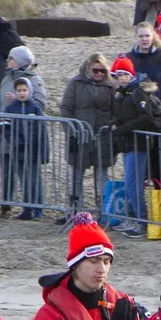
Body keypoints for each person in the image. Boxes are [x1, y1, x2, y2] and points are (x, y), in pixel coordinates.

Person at [110, 55, 161, 237]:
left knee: (133, 183)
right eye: (119, 75)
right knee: (130, 183)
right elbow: (120, 115)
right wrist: (114, 124)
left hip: (139, 143)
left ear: (131, 74)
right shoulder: (122, 93)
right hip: (128, 143)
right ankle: (134, 217)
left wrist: (122, 129)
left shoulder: (137, 93)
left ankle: (141, 221)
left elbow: (145, 117)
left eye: (124, 74)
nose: (122, 78)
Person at [60, 54, 116, 220]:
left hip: (102, 137)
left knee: (102, 177)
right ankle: (76, 212)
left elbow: (116, 111)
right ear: (88, 68)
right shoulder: (75, 83)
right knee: (76, 176)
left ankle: (103, 212)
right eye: (95, 70)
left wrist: (111, 128)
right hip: (80, 137)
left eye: (102, 71)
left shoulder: (111, 86)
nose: (99, 74)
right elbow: (65, 109)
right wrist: (71, 132)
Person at [0, 77, 48, 221]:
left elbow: (42, 130)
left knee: (34, 180)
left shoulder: (35, 108)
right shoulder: (10, 108)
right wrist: (16, 142)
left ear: (29, 91)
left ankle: (38, 209)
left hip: (33, 150)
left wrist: (41, 149)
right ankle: (27, 209)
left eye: (24, 90)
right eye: (19, 90)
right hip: (18, 150)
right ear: (15, 92)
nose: (22, 93)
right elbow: (5, 127)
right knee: (24, 180)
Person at [130, 21, 161, 92]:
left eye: (147, 36)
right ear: (136, 37)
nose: (144, 39)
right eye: (141, 36)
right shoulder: (129, 58)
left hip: (159, 96)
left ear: (152, 37)